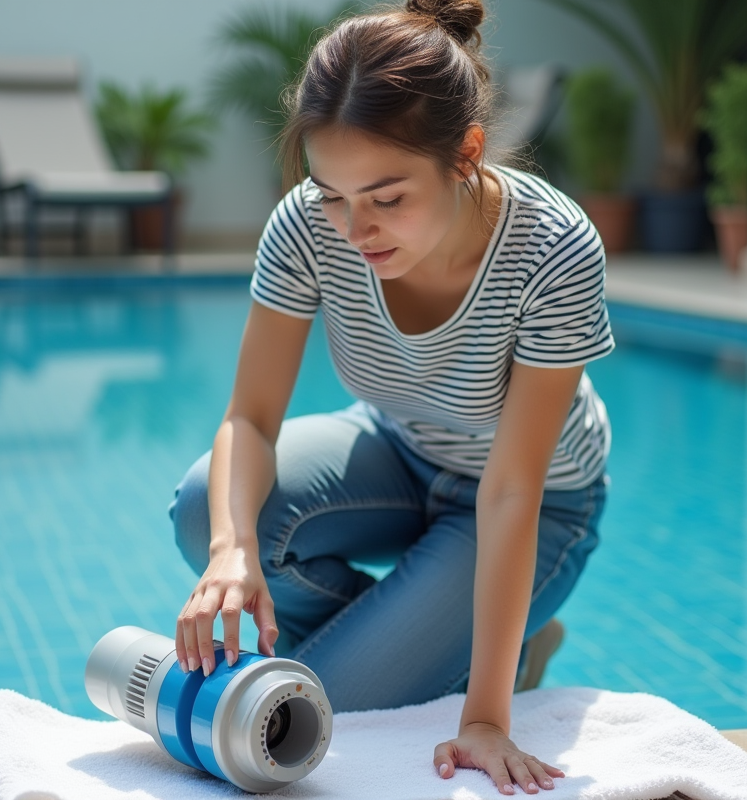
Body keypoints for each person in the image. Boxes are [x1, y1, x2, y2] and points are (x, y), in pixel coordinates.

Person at [169, 0, 613, 794]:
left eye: (386, 197)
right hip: (398, 450)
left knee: (314, 702)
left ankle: (493, 649)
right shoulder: (309, 227)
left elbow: (513, 488)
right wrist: (231, 550)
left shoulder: (554, 247)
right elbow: (250, 418)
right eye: (331, 192)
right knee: (209, 507)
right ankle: (449, 633)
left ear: (467, 154)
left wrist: (484, 717)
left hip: (535, 502)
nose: (354, 227)